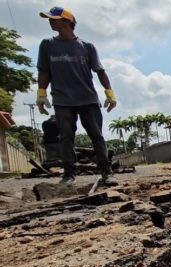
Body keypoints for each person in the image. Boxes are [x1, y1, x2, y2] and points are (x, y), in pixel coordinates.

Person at [36, 6, 118, 186]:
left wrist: (110, 93)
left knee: (97, 136)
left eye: (54, 18)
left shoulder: (87, 47)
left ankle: (107, 172)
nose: (50, 21)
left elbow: (100, 71)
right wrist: (41, 94)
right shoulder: (47, 45)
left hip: (87, 99)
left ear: (67, 21)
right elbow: (44, 71)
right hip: (62, 100)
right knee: (66, 137)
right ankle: (69, 175)